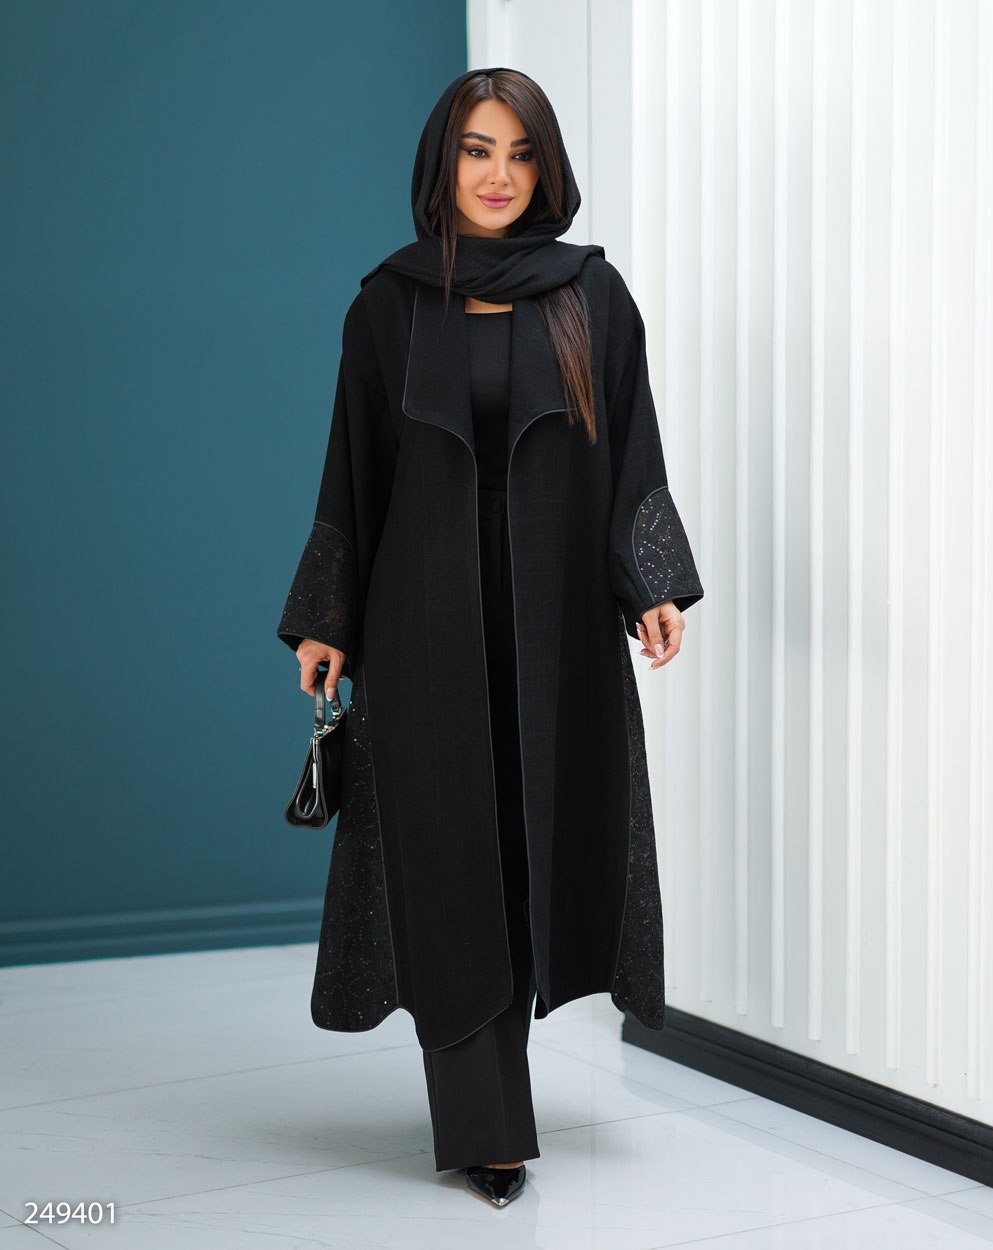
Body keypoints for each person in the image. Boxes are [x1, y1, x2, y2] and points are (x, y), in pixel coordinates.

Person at [276, 66, 704, 1207]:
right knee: (447, 852)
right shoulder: (388, 304)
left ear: (545, 165)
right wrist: (327, 618)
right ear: (443, 162)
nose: (499, 174)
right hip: (422, 622)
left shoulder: (591, 297)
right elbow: (354, 469)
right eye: (477, 149)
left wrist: (650, 582)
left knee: (531, 844)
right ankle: (488, 1124)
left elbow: (631, 450)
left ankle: (497, 1097)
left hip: (558, 621)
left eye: (519, 152)